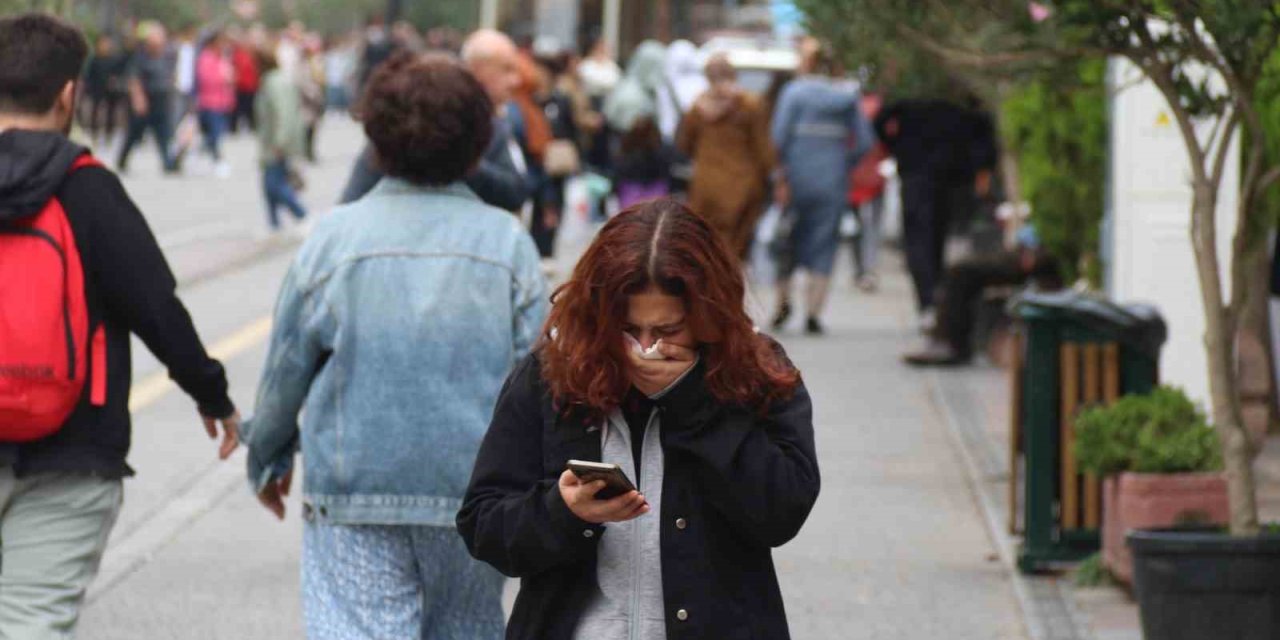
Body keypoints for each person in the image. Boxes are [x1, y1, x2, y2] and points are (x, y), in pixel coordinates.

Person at [242, 52, 546, 640]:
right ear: (478, 141)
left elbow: (287, 369)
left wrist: (268, 454)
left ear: (375, 136)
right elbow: (537, 380)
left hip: (355, 490)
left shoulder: (333, 239)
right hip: (474, 495)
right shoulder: (509, 245)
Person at [458, 199, 820, 640]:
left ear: (708, 318)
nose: (644, 348)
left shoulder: (754, 372)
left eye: (667, 331)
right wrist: (563, 511)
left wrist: (693, 403)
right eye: (628, 330)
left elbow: (782, 512)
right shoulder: (554, 371)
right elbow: (484, 523)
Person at [0, 14, 240, 636]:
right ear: (67, 95)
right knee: (28, 621)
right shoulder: (89, 190)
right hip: (74, 448)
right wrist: (211, 395)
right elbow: (156, 307)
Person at [338, 29, 530, 211]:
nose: (515, 81)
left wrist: (462, 162)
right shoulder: (396, 137)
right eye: (506, 69)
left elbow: (516, 191)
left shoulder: (501, 124)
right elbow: (353, 200)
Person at [770, 39, 874, 335]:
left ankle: (783, 302)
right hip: (833, 179)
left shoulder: (793, 94)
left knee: (787, 239)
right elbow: (865, 141)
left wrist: (780, 176)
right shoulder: (846, 97)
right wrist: (843, 162)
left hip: (796, 177)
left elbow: (777, 138)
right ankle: (813, 313)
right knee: (824, 243)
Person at [875, 97, 997, 328]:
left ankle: (933, 303)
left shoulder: (913, 89)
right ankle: (933, 303)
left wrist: (897, 147)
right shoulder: (958, 91)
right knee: (936, 240)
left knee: (925, 242)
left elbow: (881, 121)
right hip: (950, 175)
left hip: (928, 174)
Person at [904, 227, 1062, 366]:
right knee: (962, 268)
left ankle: (950, 342)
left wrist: (1033, 250)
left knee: (962, 270)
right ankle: (949, 339)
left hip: (1039, 253)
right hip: (1030, 246)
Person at [677, 53, 774, 259]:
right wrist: (774, 176)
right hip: (742, 184)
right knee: (734, 250)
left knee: (706, 247)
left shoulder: (698, 107)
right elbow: (763, 147)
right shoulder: (751, 104)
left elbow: (684, 144)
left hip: (706, 185)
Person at [254, 49, 309, 235]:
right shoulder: (276, 80)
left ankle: (301, 214)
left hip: (276, 144)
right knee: (269, 186)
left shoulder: (273, 84)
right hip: (274, 142)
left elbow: (283, 114)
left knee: (273, 184)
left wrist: (280, 142)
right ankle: (273, 224)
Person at [116, 21, 180, 174]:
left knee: (163, 133)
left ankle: (167, 162)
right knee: (134, 132)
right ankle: (122, 159)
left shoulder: (168, 55)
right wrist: (138, 99)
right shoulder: (140, 57)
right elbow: (134, 79)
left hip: (162, 100)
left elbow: (171, 75)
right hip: (146, 100)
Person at [195, 29, 235, 177]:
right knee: (214, 134)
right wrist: (223, 78)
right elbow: (206, 79)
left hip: (222, 101)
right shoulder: (206, 58)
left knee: (214, 134)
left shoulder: (221, 57)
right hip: (210, 102)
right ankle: (217, 160)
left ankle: (204, 155)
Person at [613, 116, 671, 208]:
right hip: (653, 202)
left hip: (632, 203)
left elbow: (615, 186)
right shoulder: (663, 156)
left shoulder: (622, 158)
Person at [82, 34, 128, 147]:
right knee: (95, 110)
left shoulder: (113, 59)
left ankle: (109, 135)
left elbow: (120, 70)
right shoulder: (95, 59)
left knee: (110, 113)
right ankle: (94, 133)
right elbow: (88, 74)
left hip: (110, 89)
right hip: (97, 88)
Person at [230, 30, 261, 133]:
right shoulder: (237, 54)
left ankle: (252, 125)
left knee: (250, 108)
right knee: (238, 108)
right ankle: (234, 127)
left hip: (251, 86)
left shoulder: (253, 54)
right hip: (240, 86)